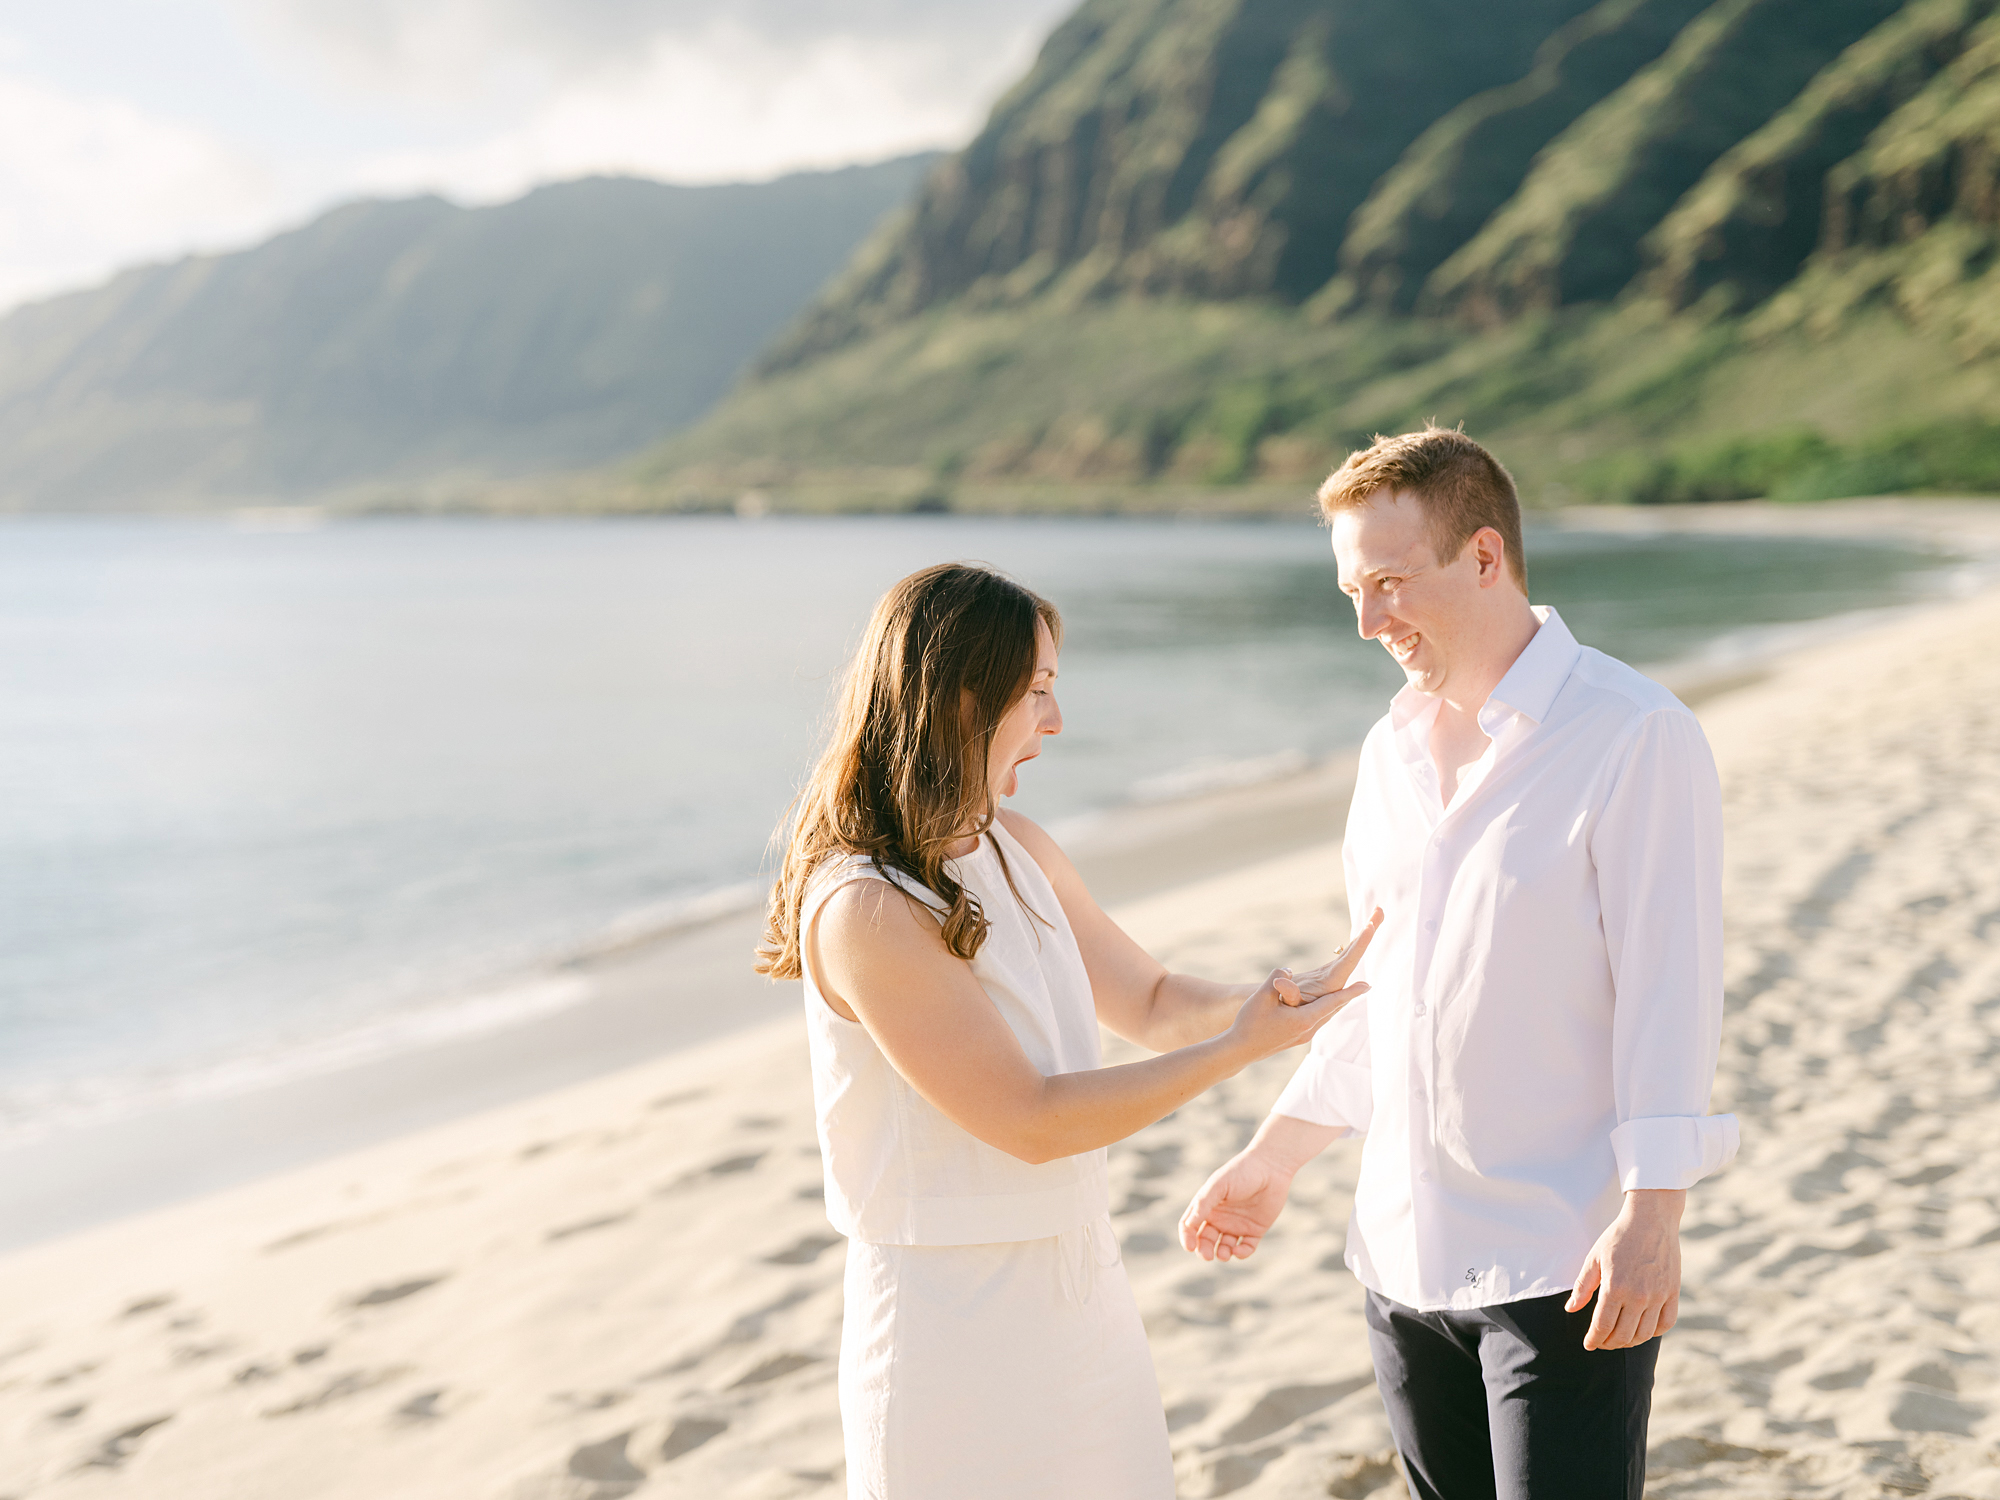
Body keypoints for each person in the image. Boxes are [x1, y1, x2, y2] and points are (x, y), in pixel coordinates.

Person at [1179, 428, 1740, 1500]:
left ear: (1483, 558)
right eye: (1350, 590)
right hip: (1398, 1262)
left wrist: (1652, 1215)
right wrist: (1272, 1159)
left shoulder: (1633, 736)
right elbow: (1377, 1001)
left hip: (1561, 1263)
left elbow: (1670, 996)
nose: (1366, 622)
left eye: (1387, 583)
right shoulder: (1385, 755)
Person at [756, 562, 1380, 1499]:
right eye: (1038, 690)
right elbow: (1030, 1121)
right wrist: (1237, 1050)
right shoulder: (866, 907)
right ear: (963, 697)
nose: (1056, 721)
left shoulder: (1018, 848)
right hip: (947, 1325)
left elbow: (1158, 998)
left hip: (1083, 1293)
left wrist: (1284, 995)